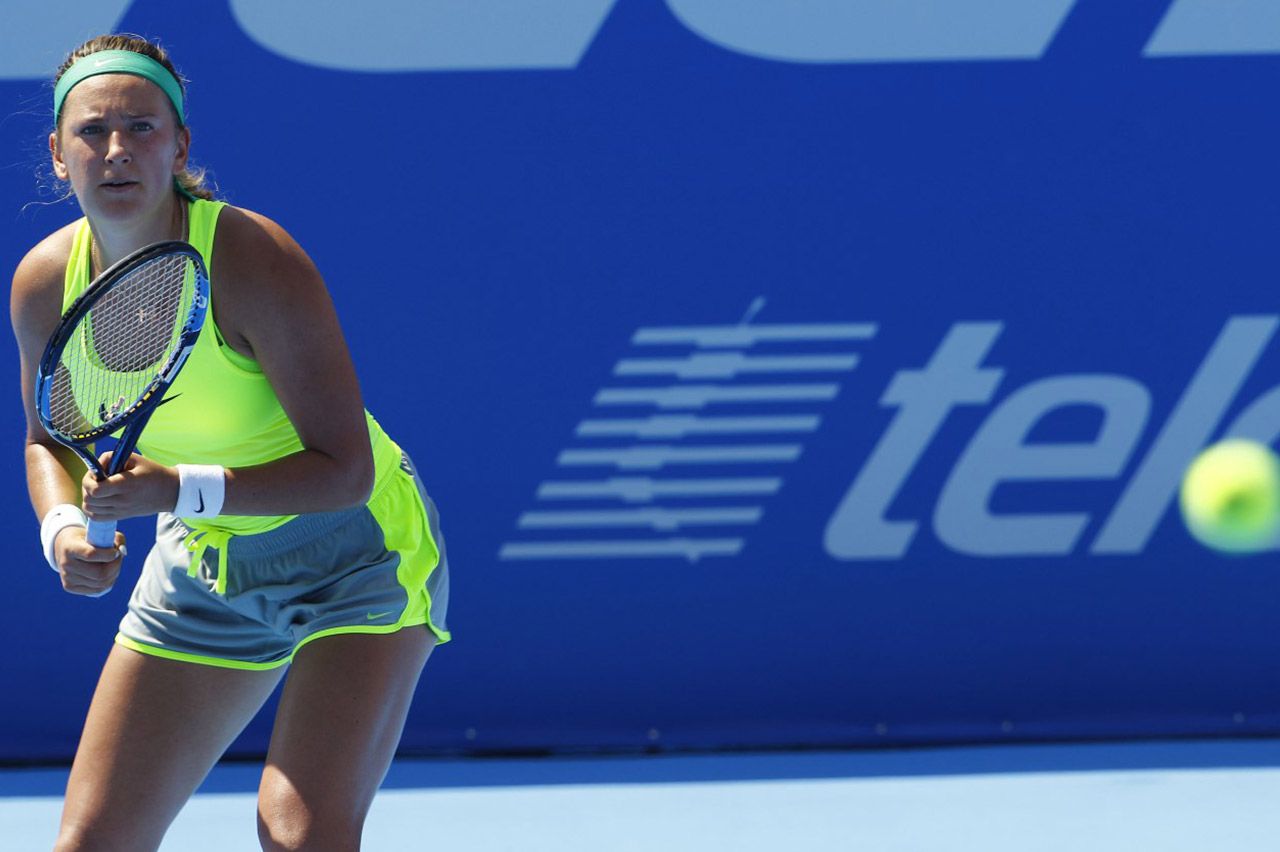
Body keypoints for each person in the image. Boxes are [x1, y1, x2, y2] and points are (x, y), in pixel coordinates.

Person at [10, 34, 451, 852]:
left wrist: (174, 489)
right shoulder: (44, 281)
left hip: (358, 556)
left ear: (179, 146)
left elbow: (345, 472)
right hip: (205, 565)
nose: (116, 149)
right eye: (92, 131)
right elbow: (50, 442)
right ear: (59, 155)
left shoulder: (252, 258)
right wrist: (62, 529)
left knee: (297, 835)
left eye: (141, 127)